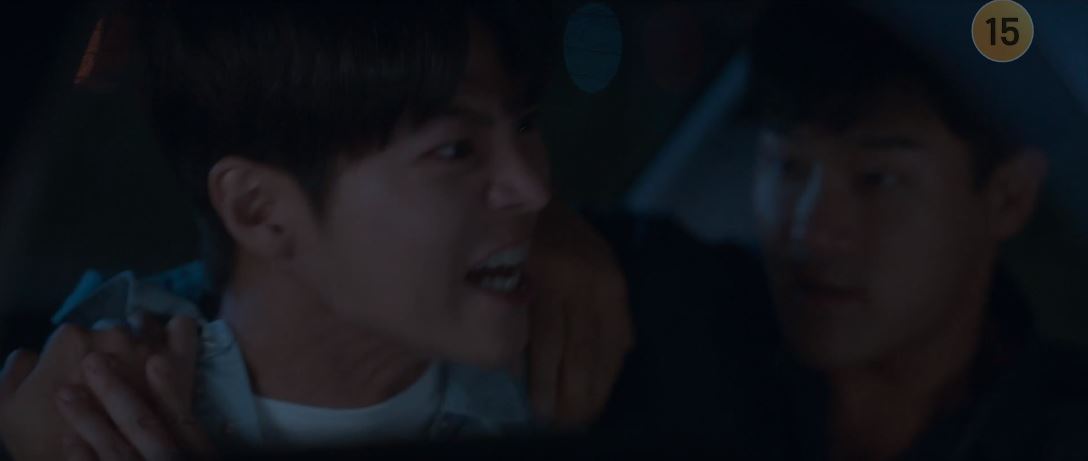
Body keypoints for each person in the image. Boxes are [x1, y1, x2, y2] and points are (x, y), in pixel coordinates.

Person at [0, 0, 634, 459]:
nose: (535, 190)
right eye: (456, 150)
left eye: (524, 125)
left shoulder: (583, 358)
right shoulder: (76, 413)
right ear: (258, 209)